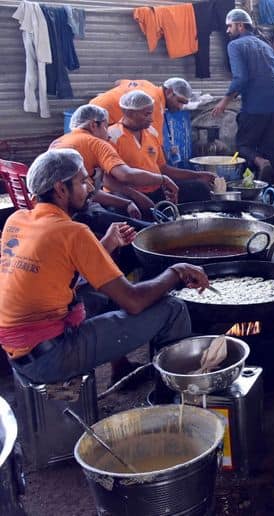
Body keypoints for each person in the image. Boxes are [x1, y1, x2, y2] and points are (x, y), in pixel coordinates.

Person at [0, 149, 210, 384]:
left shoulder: (16, 220)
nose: (90, 188)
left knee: (103, 293)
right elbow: (134, 301)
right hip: (52, 356)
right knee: (173, 308)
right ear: (60, 188)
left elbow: (60, 273)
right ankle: (174, 396)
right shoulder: (73, 232)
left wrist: (107, 244)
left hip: (19, 352)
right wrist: (176, 271)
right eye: (82, 181)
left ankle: (121, 369)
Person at [51, 104, 179, 228]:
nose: (108, 133)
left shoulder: (59, 141)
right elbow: (126, 175)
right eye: (106, 126)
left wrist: (128, 201)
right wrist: (163, 179)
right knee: (145, 230)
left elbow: (90, 191)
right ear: (94, 125)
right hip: (75, 211)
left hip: (55, 209)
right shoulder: (95, 143)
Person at [212, 8, 274, 183]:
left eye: (230, 26)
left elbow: (241, 78)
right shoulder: (266, 45)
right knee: (271, 151)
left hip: (255, 108)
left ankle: (259, 166)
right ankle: (271, 195)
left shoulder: (235, 45)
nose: (228, 31)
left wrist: (224, 101)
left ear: (240, 25)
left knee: (244, 146)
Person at [108, 91, 215, 206]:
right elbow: (108, 180)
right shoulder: (112, 136)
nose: (151, 119)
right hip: (129, 194)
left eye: (151, 114)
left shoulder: (151, 133)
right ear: (129, 113)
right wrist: (136, 196)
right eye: (146, 114)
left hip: (156, 189)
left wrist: (198, 175)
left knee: (200, 188)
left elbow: (163, 168)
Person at [89, 77, 192, 146]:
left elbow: (119, 82)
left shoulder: (147, 84)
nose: (180, 107)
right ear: (169, 92)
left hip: (93, 106)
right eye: (179, 101)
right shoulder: (153, 103)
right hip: (100, 119)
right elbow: (154, 141)